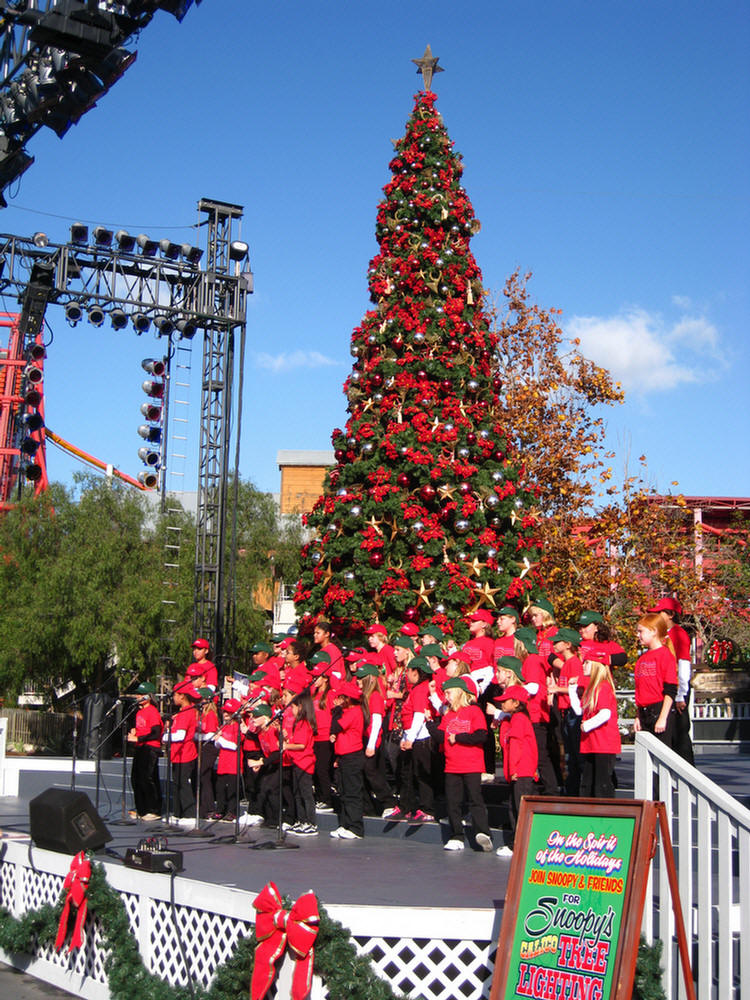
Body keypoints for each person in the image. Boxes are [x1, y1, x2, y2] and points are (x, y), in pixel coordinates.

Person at [431, 676, 492, 852]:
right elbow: (441, 736)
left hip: (472, 764)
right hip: (452, 765)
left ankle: (483, 833)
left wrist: (458, 737)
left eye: (449, 693)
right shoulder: (448, 714)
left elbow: (481, 735)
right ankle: (456, 835)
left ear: (459, 692)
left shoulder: (474, 711)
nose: (446, 697)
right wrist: (429, 724)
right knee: (453, 802)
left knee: (475, 799)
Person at [495, 684, 538, 857]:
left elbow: (516, 746)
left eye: (506, 701)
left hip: (521, 772)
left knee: (518, 809)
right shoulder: (517, 719)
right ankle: (519, 844)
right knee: (516, 808)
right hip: (523, 771)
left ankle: (518, 845)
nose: (502, 704)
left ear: (516, 703)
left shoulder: (519, 720)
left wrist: (513, 769)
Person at [650, 597, 694, 764]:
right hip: (667, 687)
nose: (656, 615)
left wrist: (681, 695)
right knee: (671, 733)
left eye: (659, 612)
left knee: (680, 733)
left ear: (670, 614)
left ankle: (690, 774)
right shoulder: (663, 635)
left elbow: (683, 664)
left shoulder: (678, 634)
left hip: (677, 688)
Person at [569, 659, 621, 797]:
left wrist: (587, 725)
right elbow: (579, 711)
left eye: (587, 663)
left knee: (602, 783)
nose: (583, 666)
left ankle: (606, 815)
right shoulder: (591, 688)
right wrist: (572, 690)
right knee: (587, 782)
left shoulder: (603, 687)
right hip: (591, 743)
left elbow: (605, 713)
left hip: (604, 743)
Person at [356, 663, 398, 818]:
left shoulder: (375, 696)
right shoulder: (364, 697)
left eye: (361, 679)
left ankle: (390, 803)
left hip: (373, 741)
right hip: (365, 739)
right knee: (364, 774)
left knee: (372, 772)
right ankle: (368, 808)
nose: (358, 681)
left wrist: (371, 745)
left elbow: (377, 721)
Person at [398, 655, 435, 823]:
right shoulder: (418, 688)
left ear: (415, 672)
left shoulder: (421, 689)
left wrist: (410, 739)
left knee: (422, 775)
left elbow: (419, 715)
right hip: (413, 736)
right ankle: (407, 807)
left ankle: (427, 809)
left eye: (409, 671)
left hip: (421, 738)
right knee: (409, 774)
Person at [548, 628, 584, 796]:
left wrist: (557, 689)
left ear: (568, 645)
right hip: (565, 711)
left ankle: (575, 789)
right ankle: (571, 787)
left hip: (572, 711)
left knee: (573, 753)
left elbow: (576, 688)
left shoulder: (574, 663)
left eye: (558, 642)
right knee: (568, 752)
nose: (554, 644)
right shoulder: (566, 663)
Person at [282, 671, 318, 837]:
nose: (292, 709)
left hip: (305, 763)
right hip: (297, 762)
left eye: (294, 706)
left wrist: (286, 745)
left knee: (305, 794)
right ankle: (301, 820)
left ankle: (310, 822)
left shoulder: (304, 723)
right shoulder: (298, 724)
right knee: (297, 793)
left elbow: (301, 744)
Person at [634, 612, 678, 746]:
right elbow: (640, 690)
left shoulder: (665, 655)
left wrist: (663, 717)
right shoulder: (642, 659)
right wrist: (638, 716)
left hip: (659, 709)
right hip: (644, 712)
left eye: (641, 631)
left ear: (653, 631)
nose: (638, 635)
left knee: (662, 756)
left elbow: (670, 689)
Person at [329, 680, 365, 840]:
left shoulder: (354, 712)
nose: (339, 700)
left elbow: (335, 726)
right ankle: (345, 824)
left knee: (352, 792)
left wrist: (336, 710)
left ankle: (355, 827)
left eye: (342, 698)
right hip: (343, 756)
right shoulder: (348, 712)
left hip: (352, 756)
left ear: (348, 699)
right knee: (343, 791)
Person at [163, 680, 200, 822]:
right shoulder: (182, 712)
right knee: (177, 782)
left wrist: (166, 737)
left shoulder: (187, 712)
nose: (173, 698)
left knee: (183, 783)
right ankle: (178, 813)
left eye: (175, 695)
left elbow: (181, 735)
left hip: (185, 753)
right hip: (178, 754)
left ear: (182, 696)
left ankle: (189, 814)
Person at [127, 682, 163, 820]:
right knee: (136, 778)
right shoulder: (139, 712)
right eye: (138, 694)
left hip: (150, 747)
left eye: (141, 694)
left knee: (148, 778)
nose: (138, 696)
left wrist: (138, 738)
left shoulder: (152, 711)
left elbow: (155, 732)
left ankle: (153, 809)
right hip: (140, 747)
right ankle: (141, 809)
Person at [213, 698, 242, 821]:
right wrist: (217, 740)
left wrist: (220, 739)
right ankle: (220, 809)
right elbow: (218, 745)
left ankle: (232, 811)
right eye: (224, 712)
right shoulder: (223, 726)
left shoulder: (237, 727)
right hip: (223, 763)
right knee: (220, 788)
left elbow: (234, 745)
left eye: (228, 712)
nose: (225, 714)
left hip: (233, 764)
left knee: (231, 789)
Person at [196, 689, 219, 818]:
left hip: (209, 748)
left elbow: (210, 734)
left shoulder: (210, 714)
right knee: (201, 776)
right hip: (202, 746)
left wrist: (196, 735)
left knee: (204, 775)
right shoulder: (202, 714)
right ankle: (203, 806)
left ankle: (209, 807)